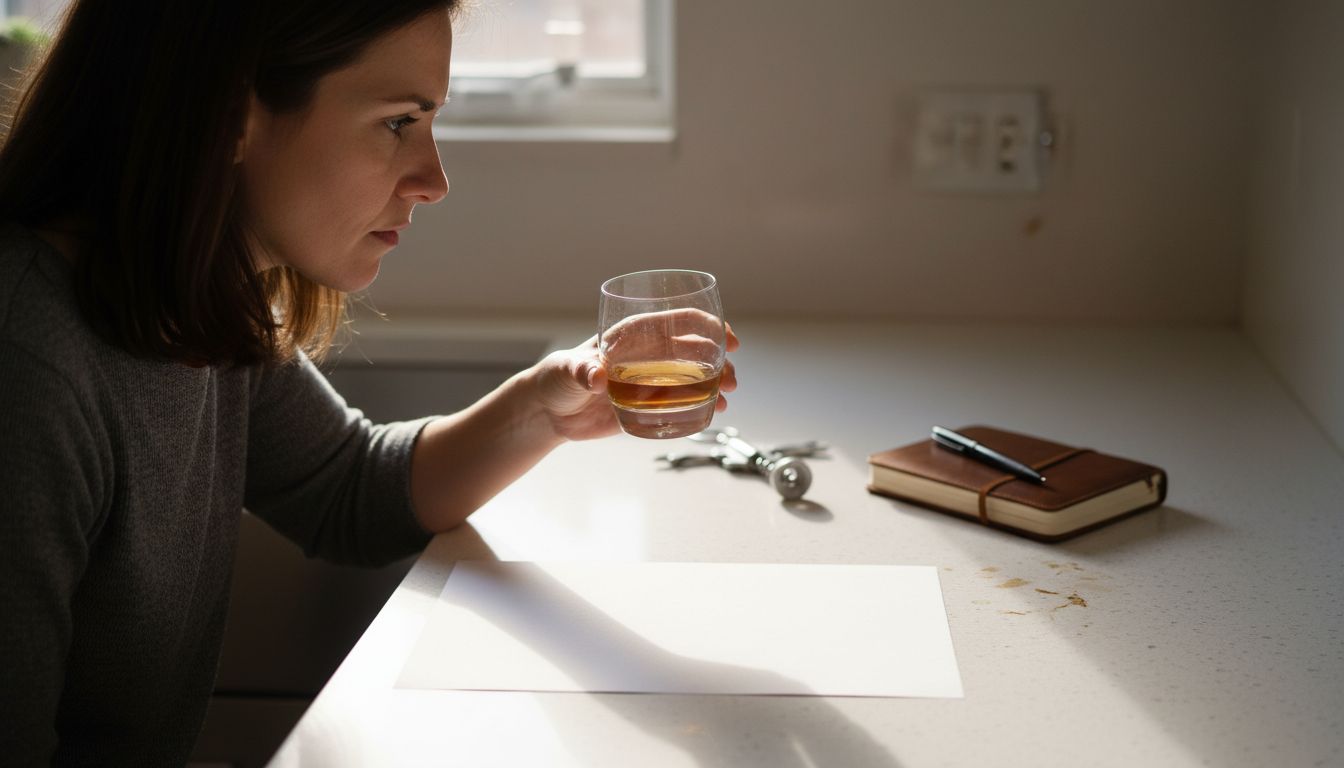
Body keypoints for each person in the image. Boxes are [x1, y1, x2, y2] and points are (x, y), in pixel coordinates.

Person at [0, 0, 738, 764]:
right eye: (399, 122)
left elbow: (353, 490)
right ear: (230, 117)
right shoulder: (28, 371)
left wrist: (547, 404)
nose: (435, 179)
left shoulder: (199, 306)